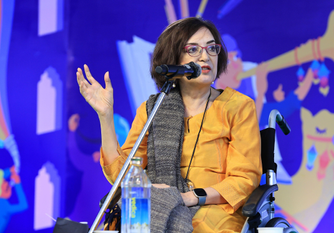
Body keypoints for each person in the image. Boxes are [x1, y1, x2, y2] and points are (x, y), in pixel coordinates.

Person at [76, 17, 262, 232]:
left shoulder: (238, 107)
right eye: (193, 49)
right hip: (158, 205)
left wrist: (187, 198)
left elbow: (244, 180)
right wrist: (105, 116)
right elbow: (122, 176)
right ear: (173, 57)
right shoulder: (153, 109)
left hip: (212, 211)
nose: (205, 56)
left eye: (212, 48)